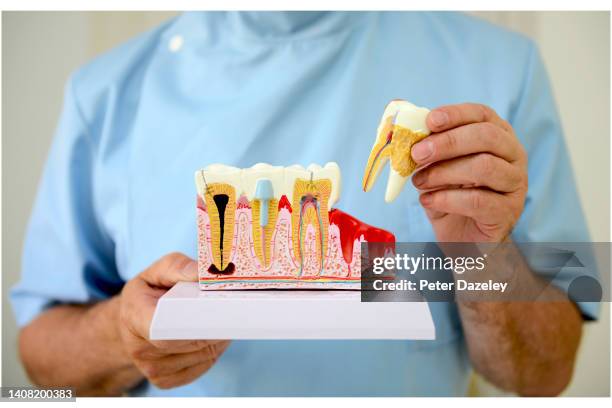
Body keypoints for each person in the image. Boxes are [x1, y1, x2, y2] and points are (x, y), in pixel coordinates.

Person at [11, 11, 598, 397]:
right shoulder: (104, 93)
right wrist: (121, 335)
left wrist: (483, 258)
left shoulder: (504, 69)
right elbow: (40, 363)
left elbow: (549, 373)